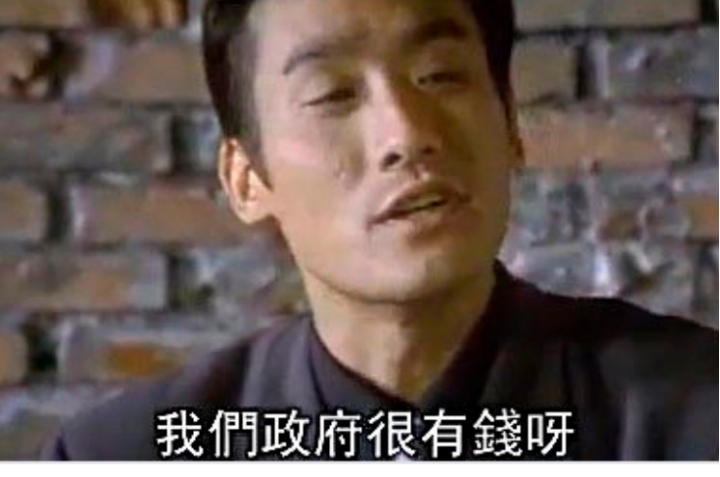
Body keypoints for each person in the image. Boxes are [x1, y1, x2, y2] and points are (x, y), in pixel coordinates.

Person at [40, 0, 717, 460]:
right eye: (333, 95)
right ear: (246, 179)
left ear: (511, 123)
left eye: (441, 76)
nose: (406, 132)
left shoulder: (691, 413)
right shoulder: (122, 454)